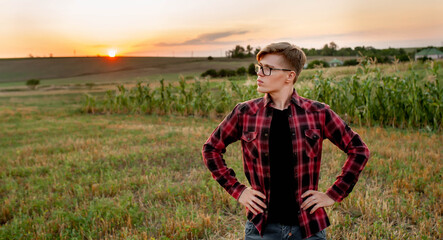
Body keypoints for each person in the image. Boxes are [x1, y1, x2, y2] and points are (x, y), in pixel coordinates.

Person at [202, 42, 370, 240]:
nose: (260, 74)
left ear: (290, 76)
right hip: (261, 228)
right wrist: (238, 191)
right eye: (259, 68)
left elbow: (359, 150)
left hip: (308, 228)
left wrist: (333, 194)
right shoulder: (245, 113)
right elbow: (211, 149)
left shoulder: (318, 113)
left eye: (268, 69)